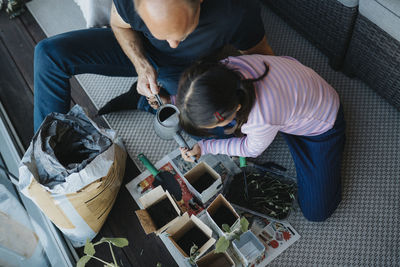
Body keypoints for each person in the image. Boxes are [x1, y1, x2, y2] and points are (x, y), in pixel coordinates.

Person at [33, 0, 274, 132]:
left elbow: (264, 58)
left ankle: (152, 102)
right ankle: (45, 150)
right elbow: (120, 25)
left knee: (221, 127)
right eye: (163, 34)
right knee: (48, 54)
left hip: (186, 69)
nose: (172, 43)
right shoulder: (129, 3)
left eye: (183, 34)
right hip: (139, 48)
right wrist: (141, 65)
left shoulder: (236, 9)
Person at [177, 55, 346, 222]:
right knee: (224, 131)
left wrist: (206, 147)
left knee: (317, 212)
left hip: (322, 125)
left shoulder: (262, 117)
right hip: (289, 95)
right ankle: (281, 126)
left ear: (236, 107)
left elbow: (249, 149)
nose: (213, 129)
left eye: (214, 125)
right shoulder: (220, 70)